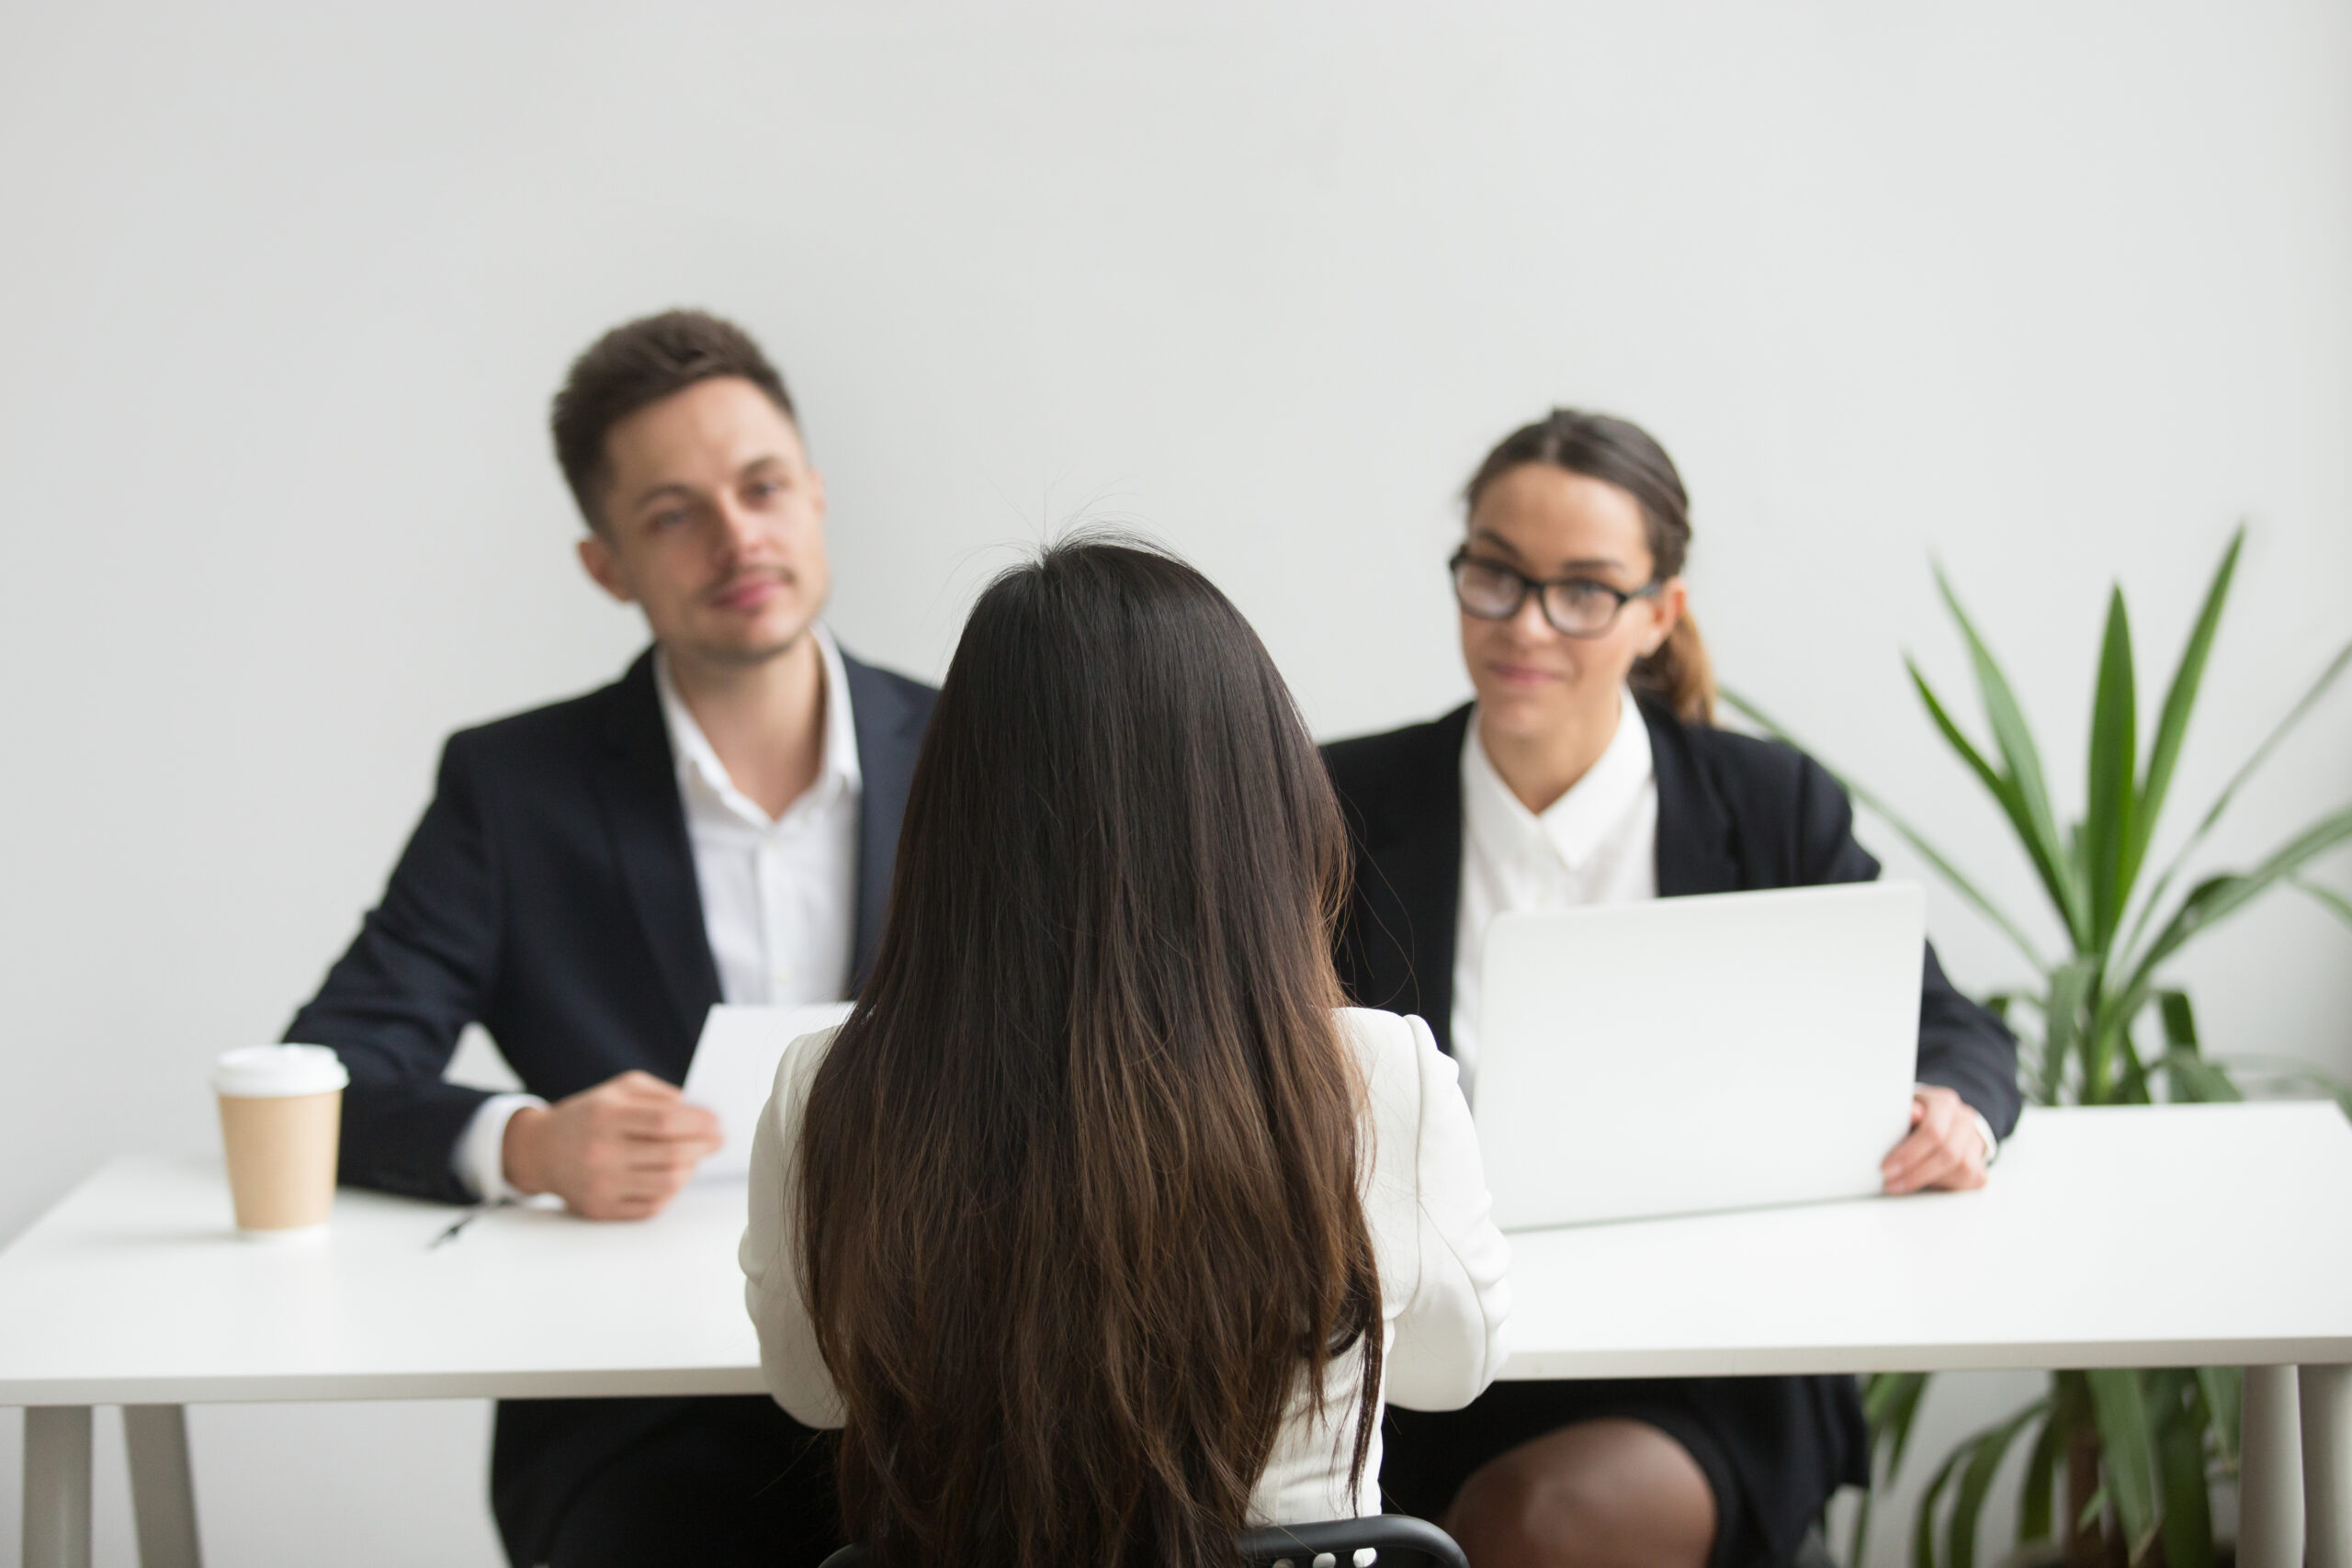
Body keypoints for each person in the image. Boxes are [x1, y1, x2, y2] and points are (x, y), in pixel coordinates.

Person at [285, 310, 935, 1567]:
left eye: (761, 488)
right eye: (675, 512)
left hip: (941, 1375)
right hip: (638, 1414)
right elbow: (331, 1068)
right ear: (606, 564)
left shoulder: (979, 747)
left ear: (815, 495)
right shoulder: (512, 788)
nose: (738, 537)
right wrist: (526, 1139)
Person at [1323, 410, 2022, 1568]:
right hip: (1429, 1359)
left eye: (1584, 590)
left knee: (1529, 1529)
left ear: (1659, 613)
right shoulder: (1345, 801)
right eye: (1494, 575)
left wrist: (1956, 1107)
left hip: (1709, 1360)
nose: (1527, 624)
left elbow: (1952, 1027)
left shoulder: (1767, 806)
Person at [740, 537, 1515, 1568]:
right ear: (1257, 802)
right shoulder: (1373, 1076)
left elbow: (812, 1387)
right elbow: (1452, 1371)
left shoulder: (831, 1085)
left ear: (954, 813)